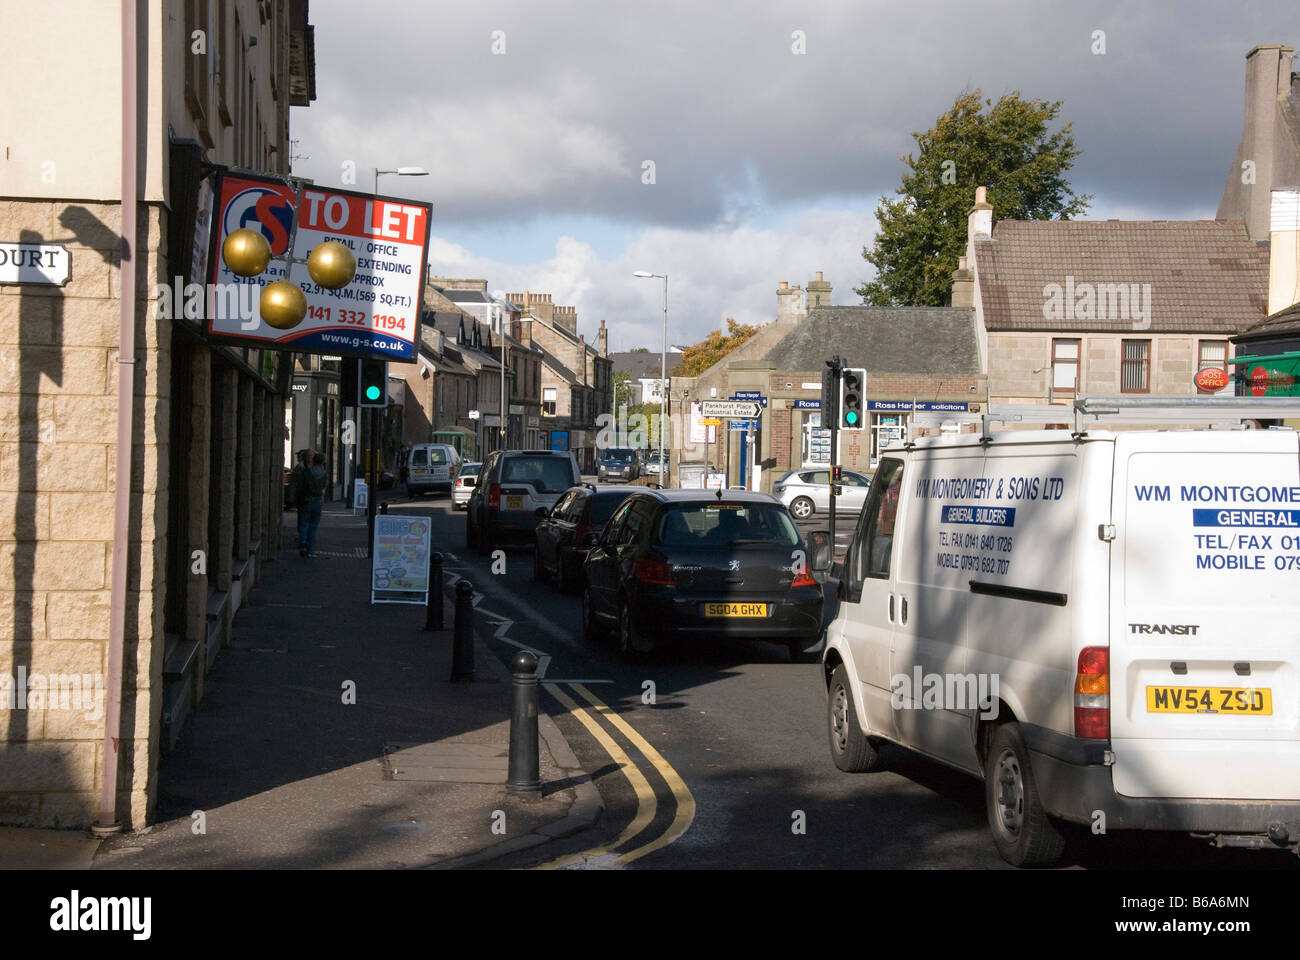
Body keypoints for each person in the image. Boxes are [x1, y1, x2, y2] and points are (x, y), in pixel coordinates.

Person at [301, 452, 328, 557]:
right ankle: (310, 551)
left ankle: (302, 540)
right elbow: (324, 487)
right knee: (313, 526)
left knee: (304, 523)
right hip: (318, 500)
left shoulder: (308, 472)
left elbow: (302, 485)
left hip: (307, 499)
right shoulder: (324, 474)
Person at [289, 449, 313, 549]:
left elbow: (293, 484)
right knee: (306, 519)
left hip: (307, 498)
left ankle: (304, 539)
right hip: (306, 497)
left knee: (305, 519)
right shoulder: (302, 468)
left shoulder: (300, 468)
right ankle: (304, 539)